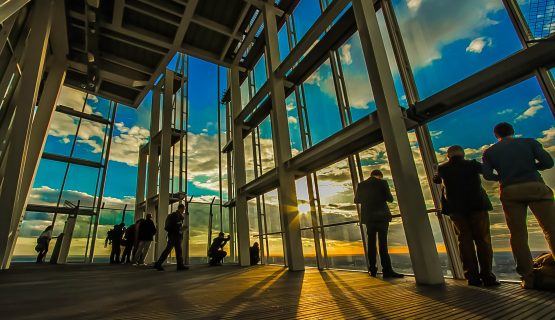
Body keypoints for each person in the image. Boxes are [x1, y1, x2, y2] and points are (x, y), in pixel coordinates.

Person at [482, 122, 555, 289]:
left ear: (496, 135)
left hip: (510, 191)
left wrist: (502, 177)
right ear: (512, 132)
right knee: (551, 230)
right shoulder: (529, 143)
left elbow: (487, 175)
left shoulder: (490, 152)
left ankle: (528, 278)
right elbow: (548, 163)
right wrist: (533, 167)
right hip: (534, 186)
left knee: (518, 235)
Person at [433, 145, 499, 286]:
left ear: (448, 156)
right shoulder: (472, 164)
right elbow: (487, 172)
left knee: (464, 241)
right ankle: (487, 276)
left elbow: (437, 180)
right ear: (463, 154)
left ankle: (472, 277)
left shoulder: (443, 168)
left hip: (456, 209)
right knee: (483, 241)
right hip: (477, 206)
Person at [354, 169, 403, 278]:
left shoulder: (362, 185)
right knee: (383, 244)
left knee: (371, 244)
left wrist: (368, 198)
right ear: (379, 176)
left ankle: (373, 270)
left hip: (369, 219)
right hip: (382, 217)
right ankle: (387, 270)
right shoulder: (382, 183)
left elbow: (356, 200)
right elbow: (390, 199)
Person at [154, 204, 188, 271]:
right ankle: (158, 264)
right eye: (184, 208)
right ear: (181, 208)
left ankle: (180, 265)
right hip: (174, 236)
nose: (184, 210)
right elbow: (171, 226)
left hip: (175, 236)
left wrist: (180, 229)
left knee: (177, 251)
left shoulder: (177, 216)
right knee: (169, 250)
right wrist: (179, 229)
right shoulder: (175, 216)